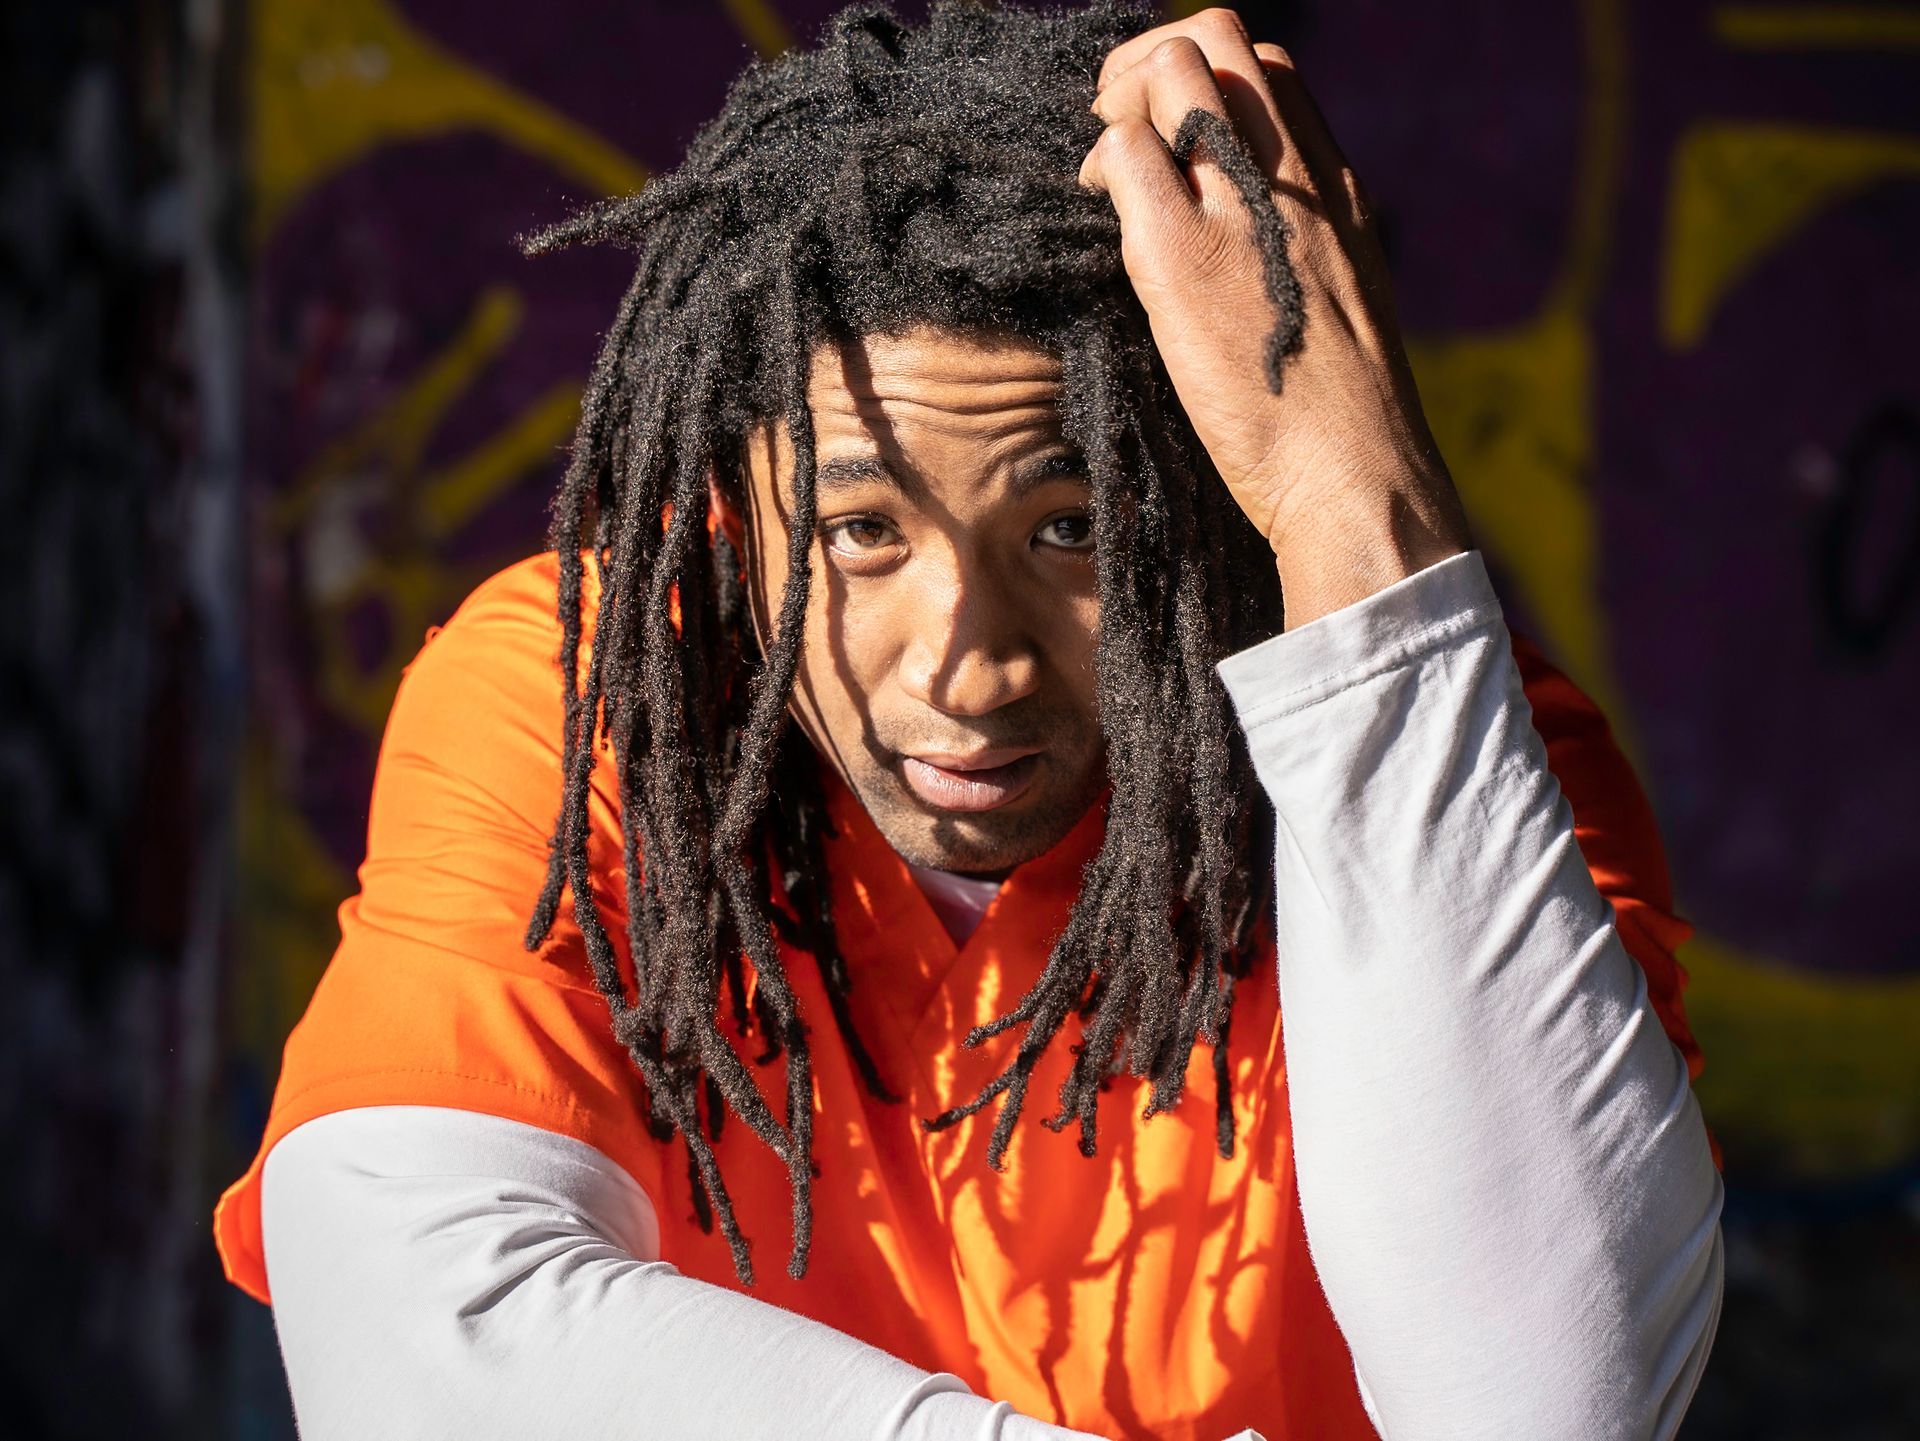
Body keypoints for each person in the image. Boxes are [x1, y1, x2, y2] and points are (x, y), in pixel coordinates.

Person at [213, 4, 1724, 1437]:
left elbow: (1551, 1402)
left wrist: (1354, 488)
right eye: (863, 532)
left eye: (1073, 530)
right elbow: (419, 1333)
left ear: (1212, 497)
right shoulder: (598, 688)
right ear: (734, 501)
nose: (965, 667)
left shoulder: (1459, 748)